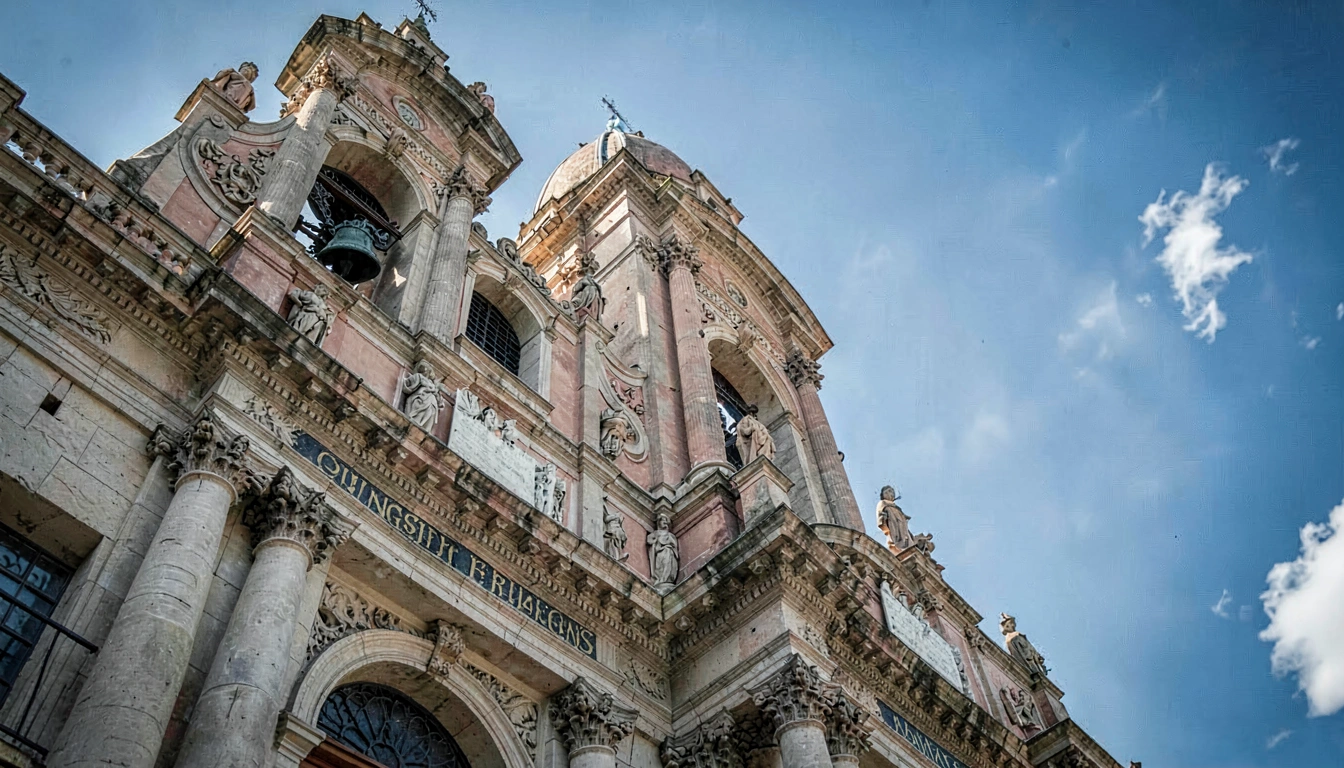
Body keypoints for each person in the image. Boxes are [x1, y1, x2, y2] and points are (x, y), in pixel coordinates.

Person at [647, 513, 679, 588]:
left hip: (669, 552)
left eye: (666, 521)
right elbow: (649, 540)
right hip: (660, 553)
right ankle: (661, 579)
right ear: (658, 523)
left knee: (669, 564)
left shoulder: (671, 535)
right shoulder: (656, 533)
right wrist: (655, 539)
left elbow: (674, 546)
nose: (665, 522)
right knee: (661, 566)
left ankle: (667, 579)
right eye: (662, 521)